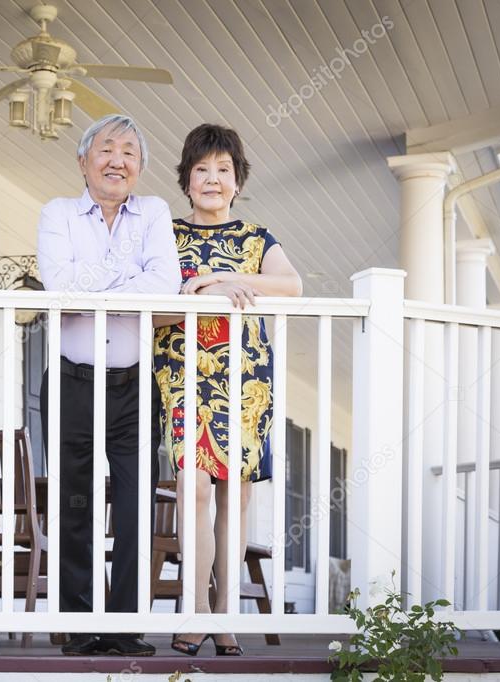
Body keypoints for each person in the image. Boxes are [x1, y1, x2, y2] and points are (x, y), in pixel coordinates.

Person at [153, 123, 301, 657]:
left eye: (223, 170)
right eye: (202, 169)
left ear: (237, 181)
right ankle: (193, 608)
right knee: (192, 488)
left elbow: (292, 284)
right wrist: (206, 283)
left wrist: (214, 278)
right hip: (185, 371)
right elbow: (151, 297)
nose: (212, 179)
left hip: (244, 378)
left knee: (234, 498)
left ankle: (224, 615)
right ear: (186, 179)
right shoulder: (163, 234)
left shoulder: (257, 237)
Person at [37, 114, 181, 657]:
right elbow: (60, 285)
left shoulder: (156, 213)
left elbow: (164, 286)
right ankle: (79, 628)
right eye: (106, 149)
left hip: (132, 386)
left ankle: (122, 629)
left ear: (139, 168)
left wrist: (93, 277)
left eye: (129, 152)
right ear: (83, 161)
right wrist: (127, 278)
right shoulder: (57, 213)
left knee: (134, 506)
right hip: (73, 382)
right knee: (73, 504)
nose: (117, 160)